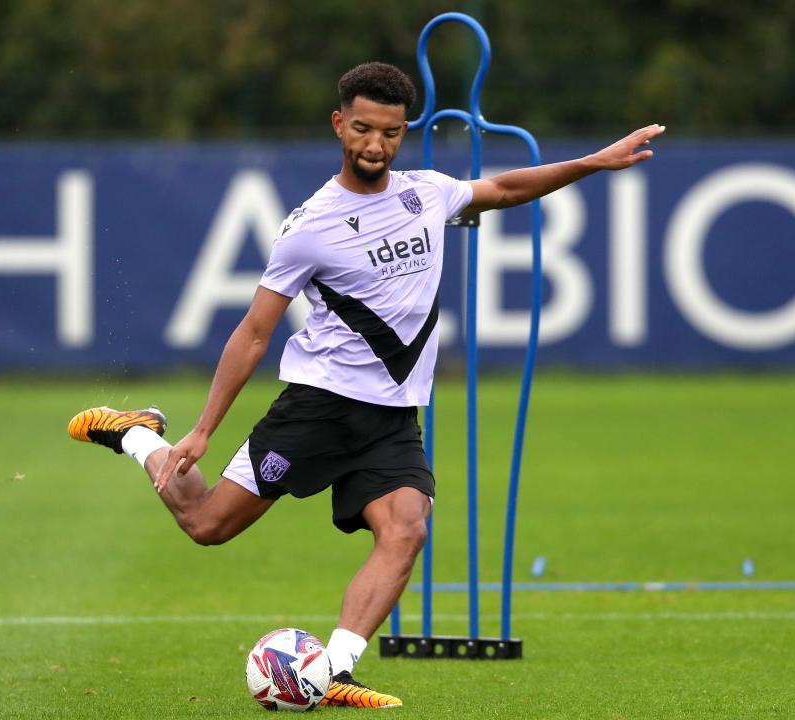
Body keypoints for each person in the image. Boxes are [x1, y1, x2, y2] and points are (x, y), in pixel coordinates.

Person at [68, 61, 664, 708]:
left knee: (406, 530)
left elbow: (507, 188)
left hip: (393, 417)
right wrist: (203, 428)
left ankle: (333, 672)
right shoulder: (310, 227)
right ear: (338, 124)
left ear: (403, 131)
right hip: (317, 409)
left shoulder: (425, 193)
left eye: (388, 132)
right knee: (208, 524)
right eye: (360, 129)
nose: (374, 145)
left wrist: (593, 162)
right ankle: (136, 434)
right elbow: (254, 334)